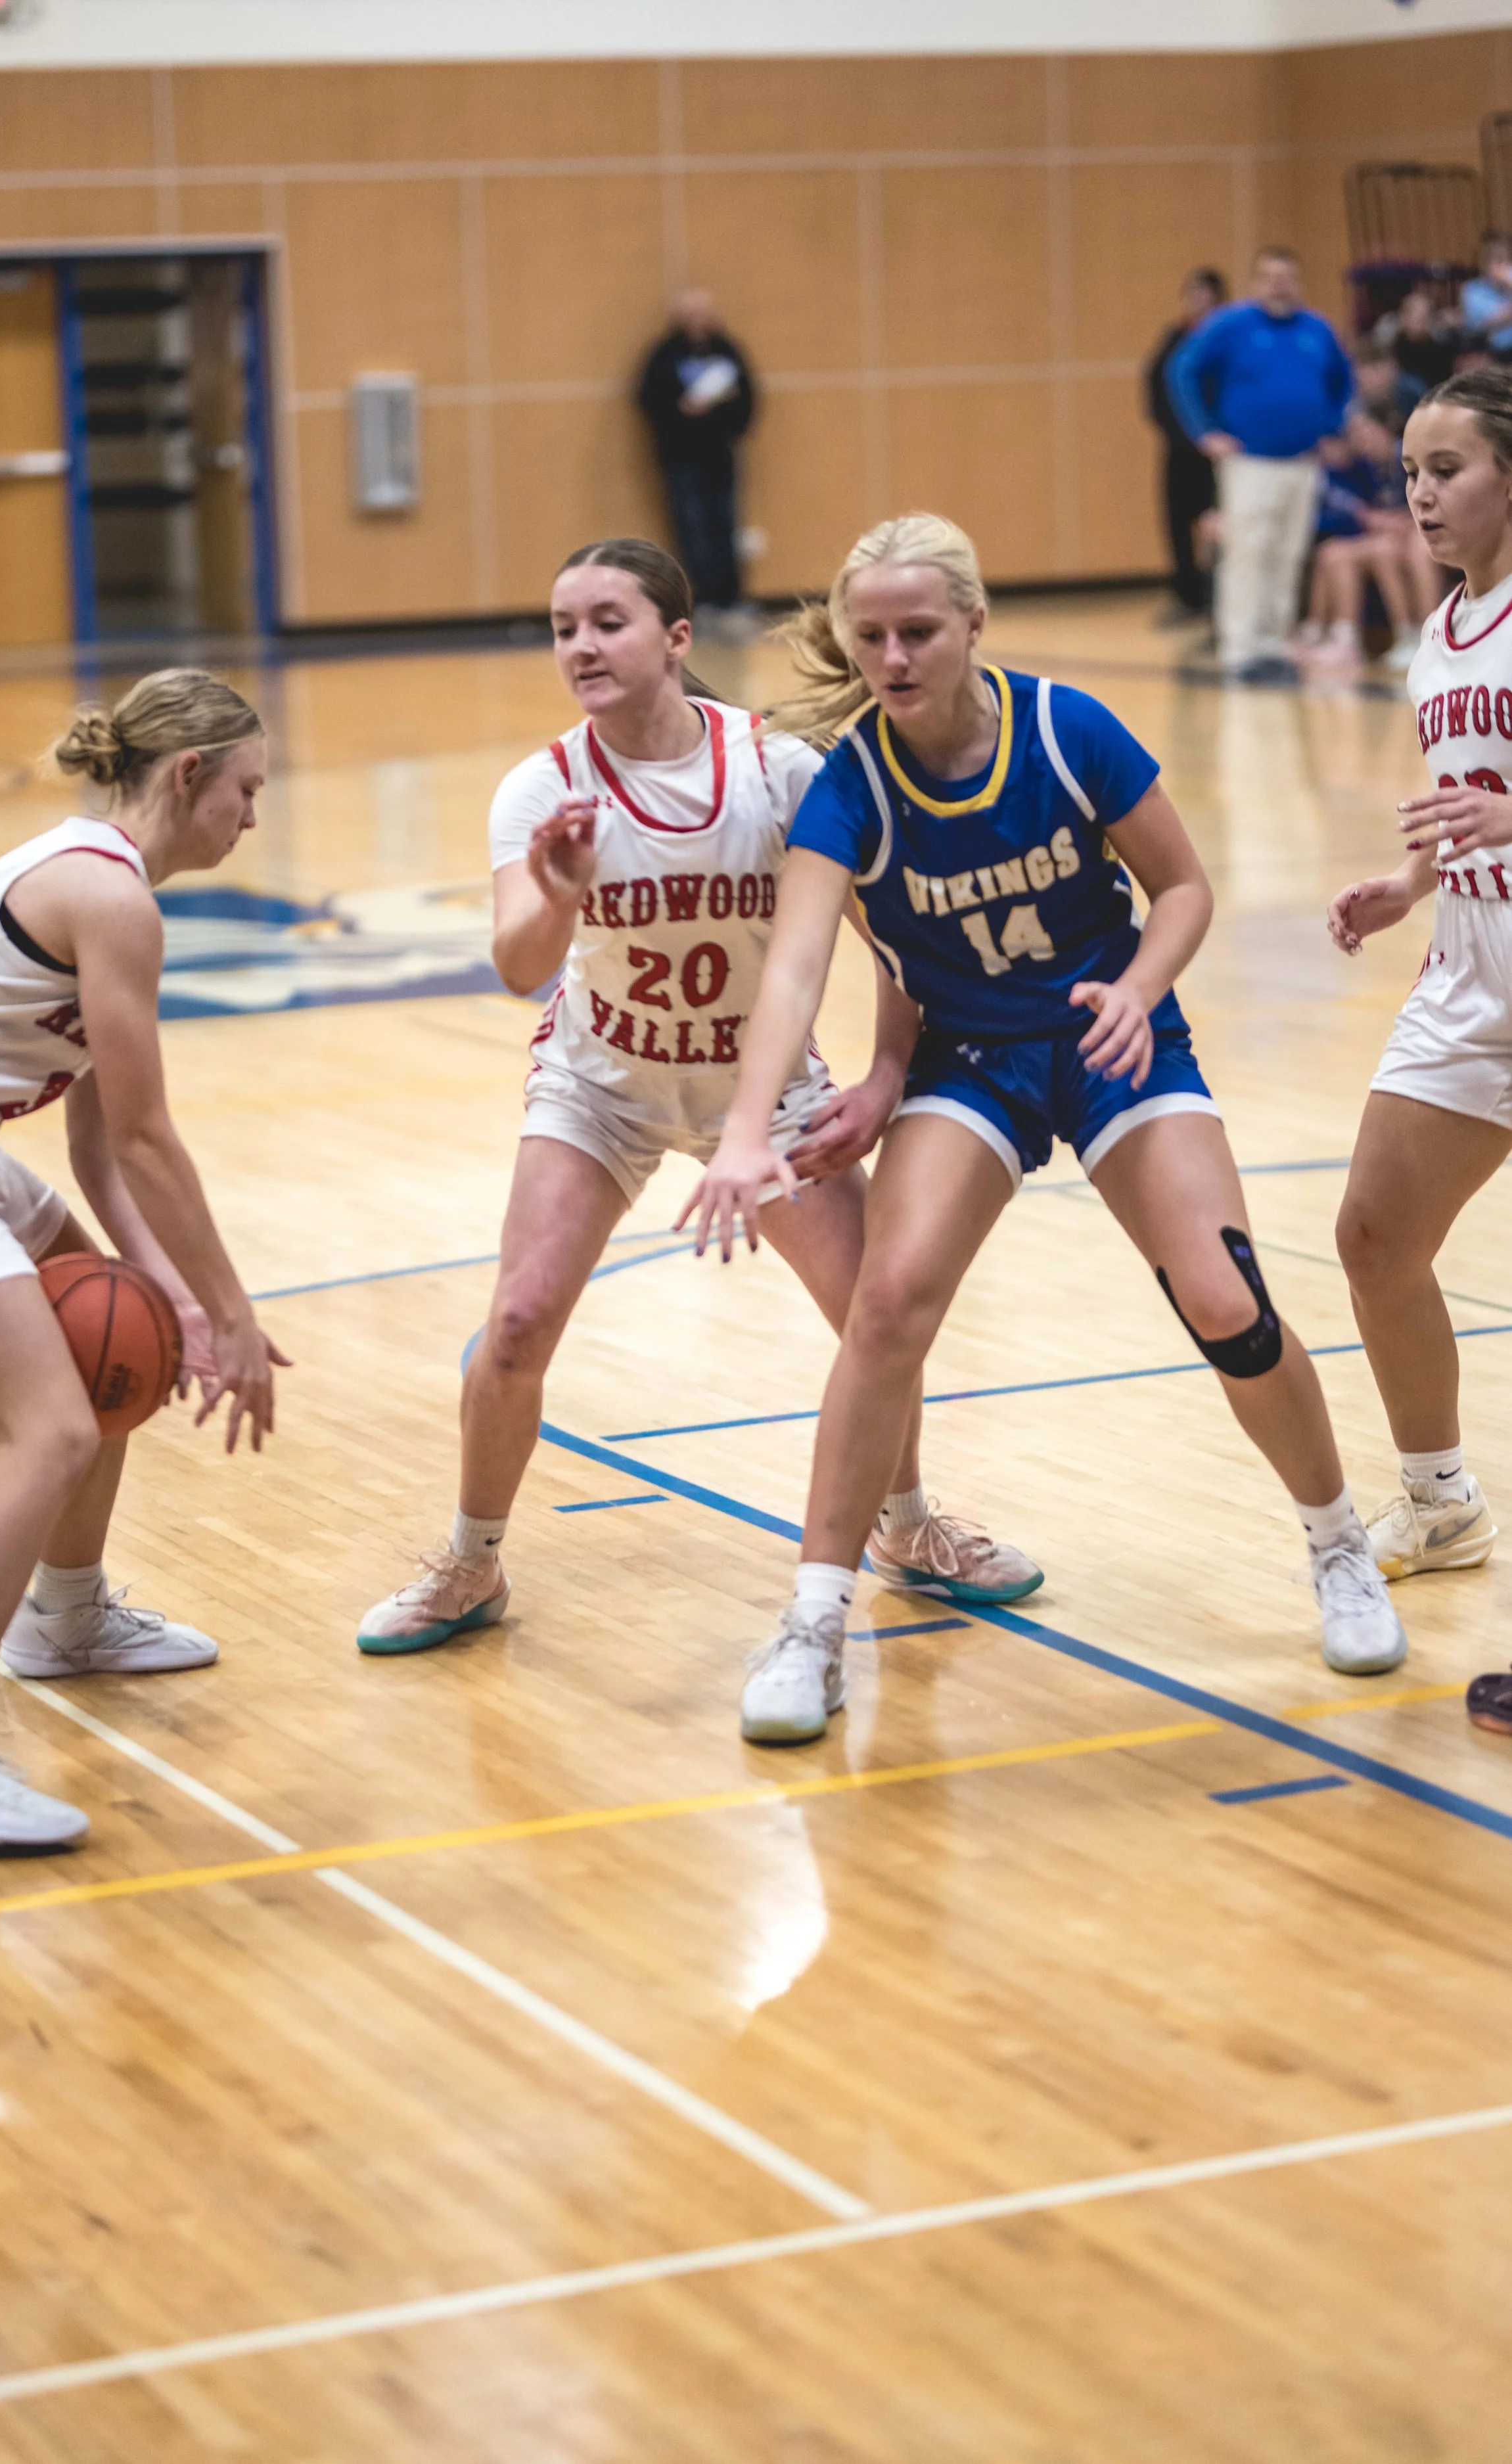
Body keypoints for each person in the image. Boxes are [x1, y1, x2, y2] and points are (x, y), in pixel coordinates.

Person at [681, 513, 1405, 1745]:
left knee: (1226, 1297)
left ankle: (1339, 1545)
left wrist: (1137, 988)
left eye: (919, 632)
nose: (894, 657)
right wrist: (755, 1127)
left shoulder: (1068, 730)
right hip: (972, 1061)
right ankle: (813, 1623)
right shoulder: (853, 786)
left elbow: (1184, 887)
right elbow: (798, 967)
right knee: (887, 1305)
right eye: (871, 637)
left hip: (1114, 1040)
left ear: (975, 624)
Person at [355, 538, 1039, 1657]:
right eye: (564, 627)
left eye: (608, 622)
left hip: (763, 1095)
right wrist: (558, 895)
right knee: (517, 1323)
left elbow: (901, 944)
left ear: (676, 637)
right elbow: (518, 964)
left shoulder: (780, 773)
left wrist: (885, 1075)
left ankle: (908, 1527)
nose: (581, 646)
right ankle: (471, 1561)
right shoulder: (543, 787)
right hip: (602, 1087)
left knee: (877, 1317)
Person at [0, 670, 287, 1854]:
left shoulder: (102, 883)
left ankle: (64, 1616)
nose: (253, 818)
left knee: (121, 1336)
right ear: (189, 774)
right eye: (247, 790)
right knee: (47, 1429)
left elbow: (102, 1153)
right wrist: (230, 1313)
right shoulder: (110, 896)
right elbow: (151, 1140)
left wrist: (175, 1299)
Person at [1325, 368, 1512, 1732]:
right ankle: (1440, 1501)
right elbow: (1470, 808)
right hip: (1472, 978)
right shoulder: (1439, 636)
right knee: (1373, 1235)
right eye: (1409, 473)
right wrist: (1407, 885)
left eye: (1446, 468)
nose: (1421, 494)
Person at [1168, 247, 1356, 683]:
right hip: (1250, 462)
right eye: (1270, 278)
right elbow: (1183, 370)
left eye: (1287, 278)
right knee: (1249, 554)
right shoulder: (1232, 325)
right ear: (1255, 283)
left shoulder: (1316, 329)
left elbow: (1343, 380)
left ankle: (1274, 646)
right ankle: (1242, 651)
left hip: (1303, 462)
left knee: (1288, 555)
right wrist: (1204, 431)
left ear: (1299, 283)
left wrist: (1333, 427)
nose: (1279, 286)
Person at [637, 290, 756, 626]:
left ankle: (730, 596)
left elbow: (747, 399)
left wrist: (720, 417)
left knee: (726, 524)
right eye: (691, 315)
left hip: (720, 454)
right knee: (691, 527)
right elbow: (649, 400)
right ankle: (701, 597)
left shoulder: (727, 352)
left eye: (703, 315)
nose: (698, 322)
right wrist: (681, 412)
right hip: (680, 456)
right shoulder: (665, 355)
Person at [1297, 409, 1444, 672]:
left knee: (1399, 549)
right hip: (1389, 538)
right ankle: (1341, 639)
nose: (1360, 439)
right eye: (1355, 434)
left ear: (1387, 429)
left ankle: (1430, 636)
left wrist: (1399, 523)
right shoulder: (1366, 465)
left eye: (1366, 431)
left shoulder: (1411, 460)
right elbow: (1358, 513)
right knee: (1334, 553)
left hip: (1421, 533)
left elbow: (1433, 506)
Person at [1144, 267, 1227, 623]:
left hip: (1218, 453)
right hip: (1180, 449)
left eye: (1208, 300)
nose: (1200, 306)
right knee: (1178, 524)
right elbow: (1156, 392)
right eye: (1194, 297)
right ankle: (1187, 596)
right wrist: (1183, 434)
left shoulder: (1226, 342)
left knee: (1218, 526)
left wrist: (1212, 436)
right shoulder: (1173, 340)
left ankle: (1216, 601)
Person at [1459, 234, 1512, 362]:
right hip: (1491, 354)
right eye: (1499, 261)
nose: (1505, 267)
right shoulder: (1473, 290)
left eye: (1509, 261)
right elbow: (1483, 325)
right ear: (1487, 264)